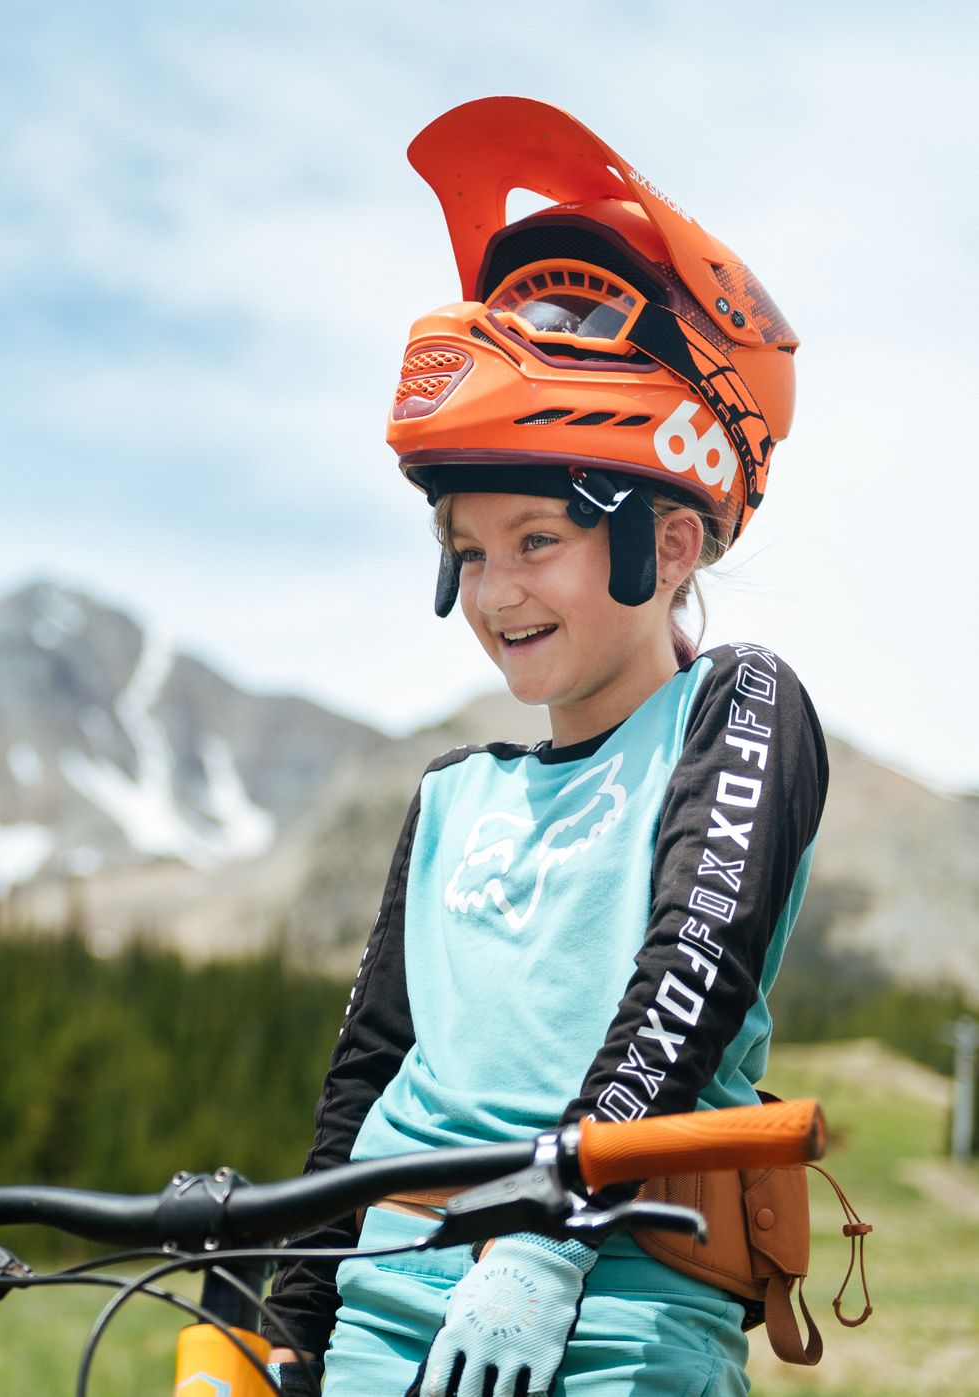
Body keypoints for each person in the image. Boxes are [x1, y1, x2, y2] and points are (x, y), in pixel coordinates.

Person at [262, 99, 826, 1397]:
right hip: (384, 1313)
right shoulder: (452, 796)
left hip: (620, 1306)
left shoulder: (734, 708)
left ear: (667, 544)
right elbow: (368, 1072)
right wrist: (287, 1322)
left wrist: (549, 1228)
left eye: (535, 541)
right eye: (468, 550)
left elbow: (696, 967)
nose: (496, 589)